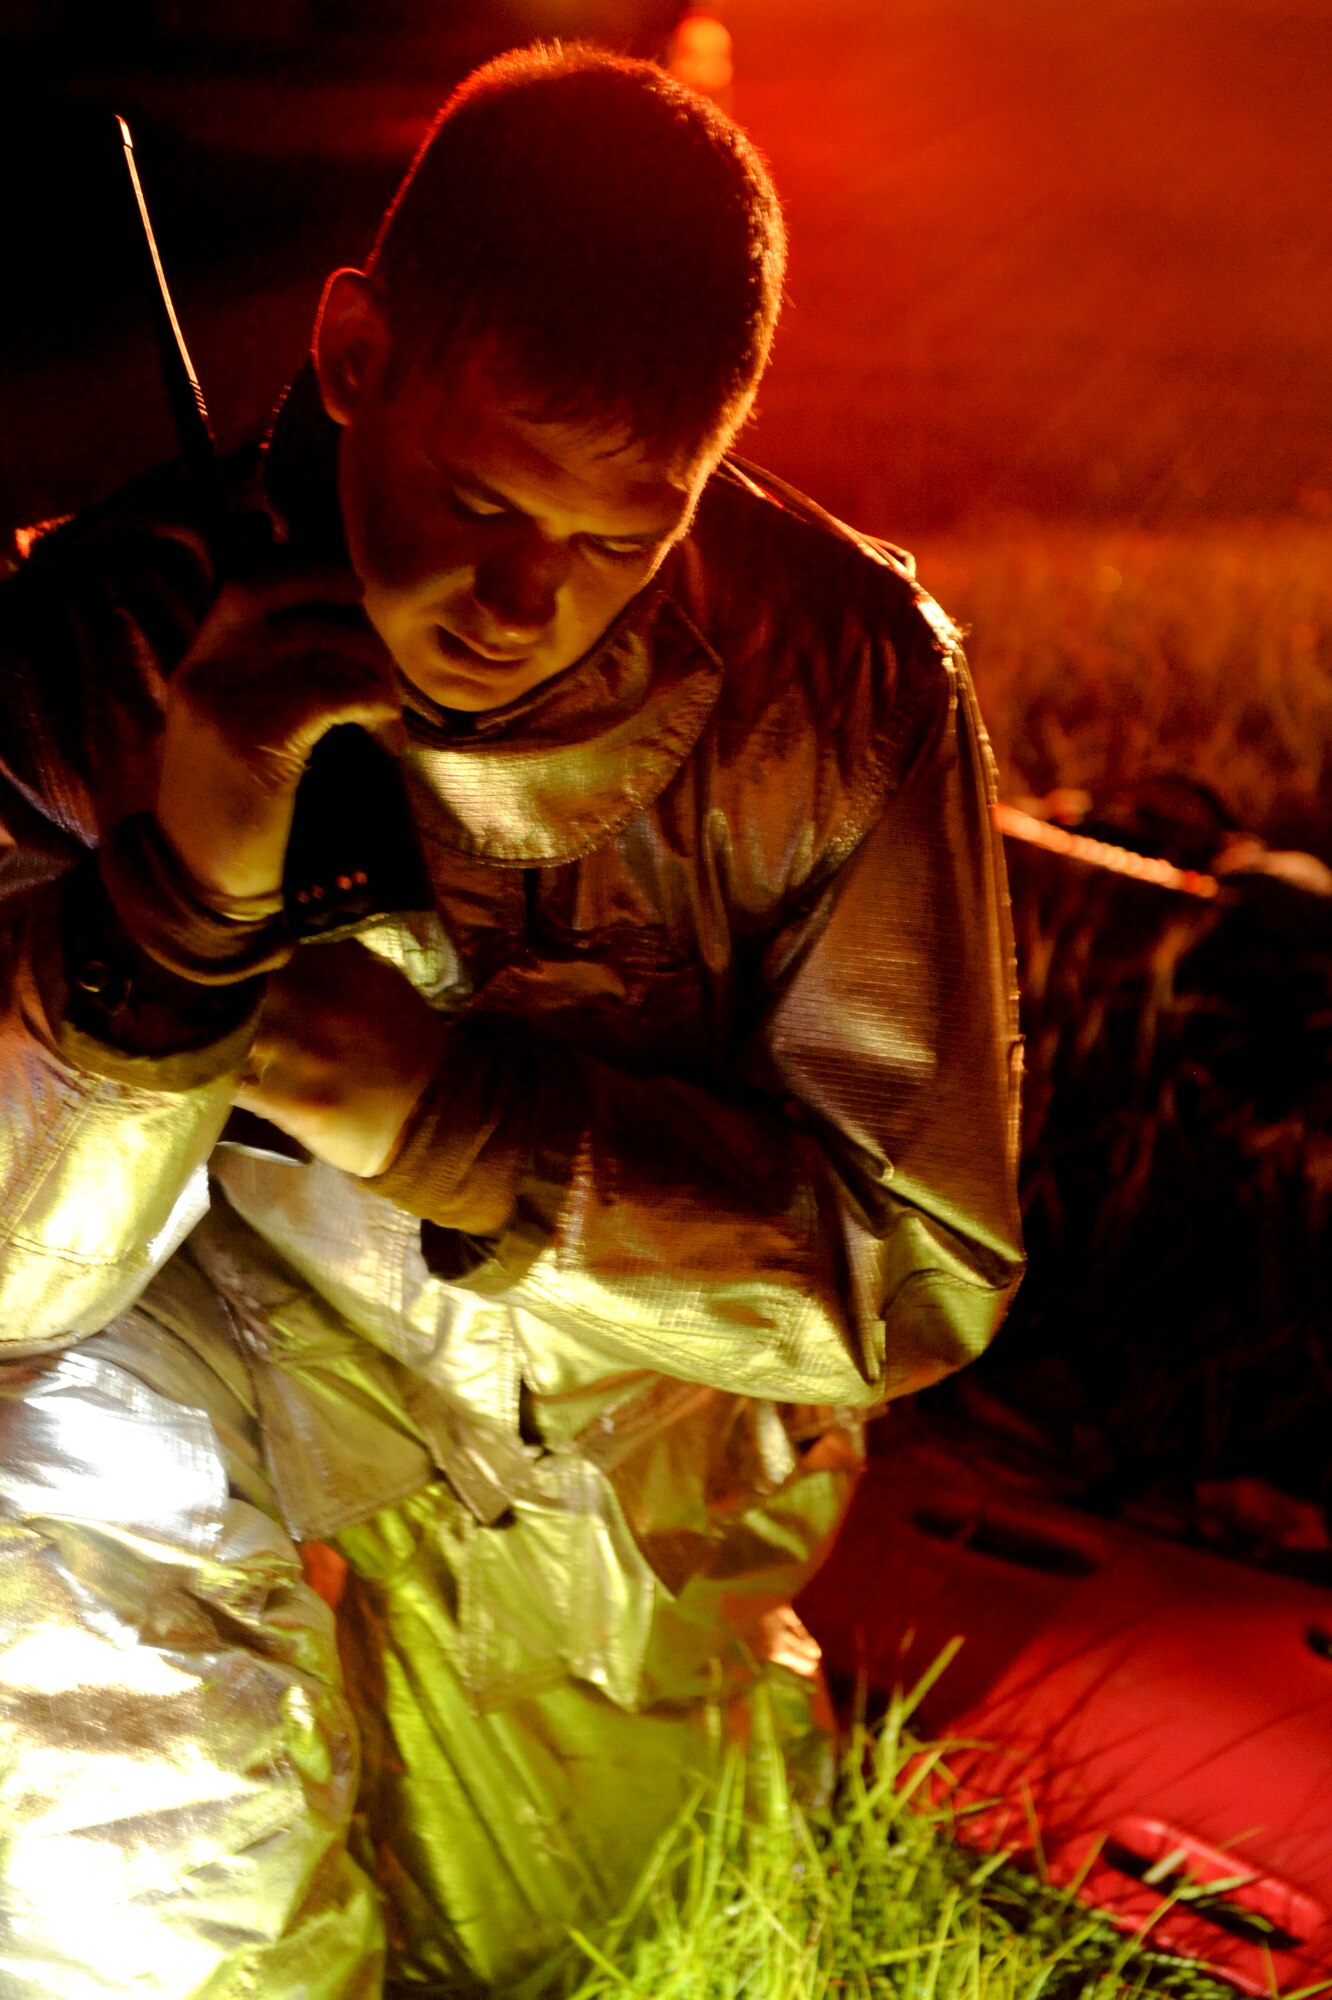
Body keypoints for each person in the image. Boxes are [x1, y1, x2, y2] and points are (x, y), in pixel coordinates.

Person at [0, 44, 1023, 1999]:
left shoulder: (845, 683)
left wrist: (459, 1122)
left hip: (609, 1479)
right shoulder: (103, 648)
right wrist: (183, 906)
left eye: (616, 533)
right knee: (58, 1499)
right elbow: (10, 1276)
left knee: (598, 1949)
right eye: (476, 499)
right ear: (359, 349)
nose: (514, 599)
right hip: (183, 1424)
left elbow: (915, 1269)